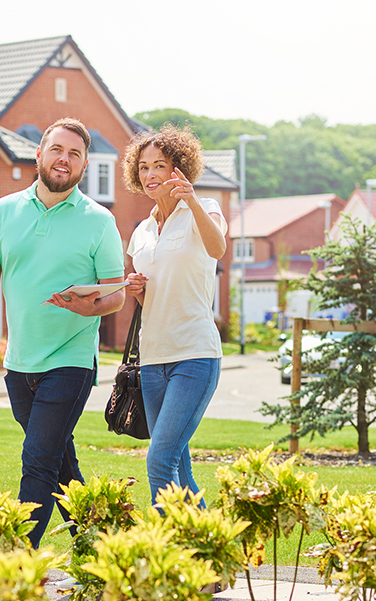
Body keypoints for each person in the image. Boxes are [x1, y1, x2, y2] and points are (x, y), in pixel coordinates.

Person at [0, 118, 125, 548]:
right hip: (20, 364)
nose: (64, 160)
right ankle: (106, 549)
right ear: (39, 154)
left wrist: (86, 304)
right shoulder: (3, 212)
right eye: (57, 150)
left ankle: (14, 560)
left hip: (71, 361)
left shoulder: (100, 221)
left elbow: (116, 297)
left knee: (36, 461)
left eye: (74, 154)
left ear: (85, 164)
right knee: (59, 463)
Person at [122, 124, 228, 508]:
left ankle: (169, 552)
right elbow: (155, 301)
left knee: (159, 459)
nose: (151, 175)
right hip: (152, 360)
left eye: (160, 166)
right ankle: (207, 550)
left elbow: (217, 250)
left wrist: (193, 201)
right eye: (145, 167)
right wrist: (138, 291)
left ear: (179, 168)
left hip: (194, 355)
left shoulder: (205, 209)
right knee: (179, 467)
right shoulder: (142, 232)